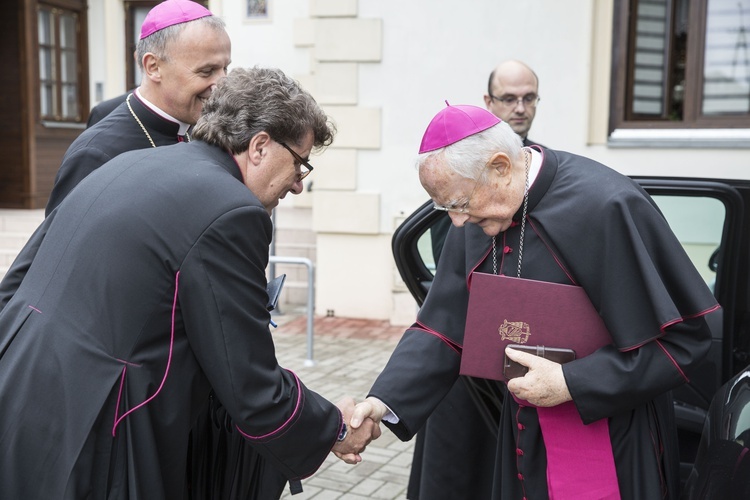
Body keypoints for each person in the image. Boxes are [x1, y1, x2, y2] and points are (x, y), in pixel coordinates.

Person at [0, 66, 380, 499]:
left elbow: (18, 279)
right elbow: (249, 382)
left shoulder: (129, 162)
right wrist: (332, 425)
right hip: (102, 429)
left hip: (21, 392)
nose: (297, 184)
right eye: (300, 162)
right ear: (259, 146)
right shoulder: (233, 211)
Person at [352, 103, 718, 499]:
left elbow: (683, 340)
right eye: (446, 209)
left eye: (457, 204)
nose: (456, 223)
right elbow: (444, 327)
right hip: (526, 430)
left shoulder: (607, 204)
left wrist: (571, 382)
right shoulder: (478, 213)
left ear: (500, 167)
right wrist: (381, 402)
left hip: (612, 437)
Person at [45, 0, 232, 215]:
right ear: (153, 67)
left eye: (225, 68)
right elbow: (63, 242)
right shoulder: (96, 153)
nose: (222, 84)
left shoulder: (206, 132)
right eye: (207, 71)